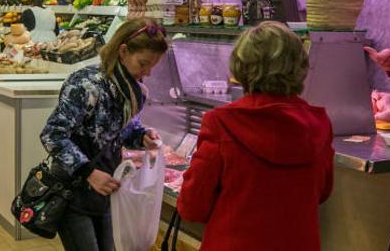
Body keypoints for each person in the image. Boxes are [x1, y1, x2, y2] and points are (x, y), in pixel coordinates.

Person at [176, 21, 334, 251]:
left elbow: (192, 207)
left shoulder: (220, 123)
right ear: (299, 67)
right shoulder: (318, 125)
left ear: (241, 67)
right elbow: (322, 192)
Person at [41, 18, 169, 251]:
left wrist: (141, 136)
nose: (148, 72)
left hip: (107, 193)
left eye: (153, 66)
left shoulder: (128, 87)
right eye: (143, 63)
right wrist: (89, 172)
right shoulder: (86, 84)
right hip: (73, 194)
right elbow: (53, 134)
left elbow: (116, 129)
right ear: (123, 51)